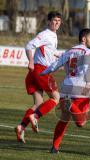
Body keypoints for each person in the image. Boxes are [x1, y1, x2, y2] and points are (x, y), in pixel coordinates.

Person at [40, 28, 90, 153]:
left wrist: (42, 73)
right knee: (81, 122)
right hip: (80, 87)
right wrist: (88, 82)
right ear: (83, 39)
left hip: (66, 87)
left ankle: (54, 148)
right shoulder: (88, 52)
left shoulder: (69, 51)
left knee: (64, 119)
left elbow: (55, 65)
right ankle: (71, 105)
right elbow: (86, 68)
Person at [15, 11, 62, 143]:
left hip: (35, 73)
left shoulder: (53, 35)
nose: (56, 22)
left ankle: (21, 127)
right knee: (56, 98)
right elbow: (29, 46)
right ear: (48, 22)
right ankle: (35, 117)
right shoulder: (45, 34)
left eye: (59, 20)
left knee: (38, 103)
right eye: (54, 20)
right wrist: (30, 61)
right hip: (41, 70)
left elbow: (51, 52)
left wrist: (63, 57)